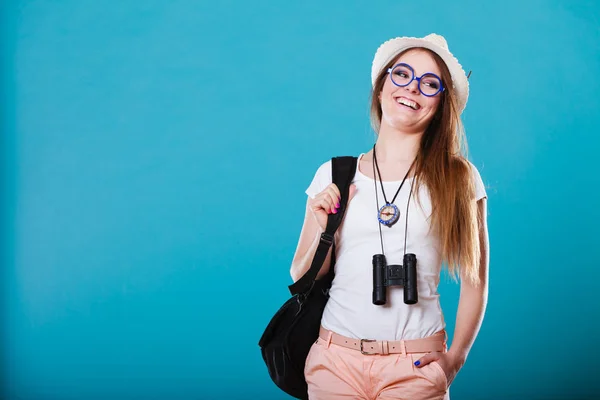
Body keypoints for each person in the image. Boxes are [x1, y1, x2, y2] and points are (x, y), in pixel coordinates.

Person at [289, 33, 489, 400]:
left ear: (441, 103)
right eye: (401, 75)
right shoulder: (333, 175)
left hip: (415, 366)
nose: (412, 88)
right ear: (380, 88)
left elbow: (475, 281)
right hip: (336, 362)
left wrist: (454, 361)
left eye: (430, 84)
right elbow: (301, 277)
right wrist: (323, 230)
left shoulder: (459, 178)